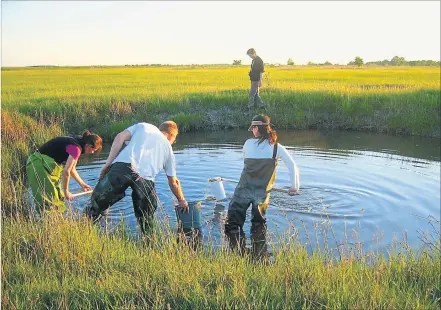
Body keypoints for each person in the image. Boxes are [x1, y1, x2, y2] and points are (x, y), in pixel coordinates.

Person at [87, 121, 188, 236]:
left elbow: (120, 137)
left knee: (96, 205)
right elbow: (173, 182)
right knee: (146, 220)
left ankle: (84, 233)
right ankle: (148, 245)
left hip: (122, 167)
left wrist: (108, 164)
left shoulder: (144, 126)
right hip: (145, 179)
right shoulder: (168, 149)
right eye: (174, 140)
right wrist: (181, 200)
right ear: (171, 136)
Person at [224, 114, 300, 260]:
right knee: (258, 225)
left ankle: (236, 255)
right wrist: (294, 187)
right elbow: (292, 166)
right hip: (262, 193)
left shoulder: (247, 144)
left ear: (257, 128)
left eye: (253, 128)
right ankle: (259, 254)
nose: (252, 131)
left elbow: (245, 161)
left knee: (232, 224)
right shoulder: (277, 147)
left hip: (243, 189)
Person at [26, 130, 102, 215]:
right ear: (88, 146)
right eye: (94, 150)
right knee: (49, 198)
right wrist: (66, 192)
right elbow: (66, 172)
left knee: (58, 197)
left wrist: (82, 184)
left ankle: (58, 219)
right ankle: (47, 221)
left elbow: (72, 169)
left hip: (47, 165)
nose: (93, 152)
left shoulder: (77, 145)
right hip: (39, 164)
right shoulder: (76, 148)